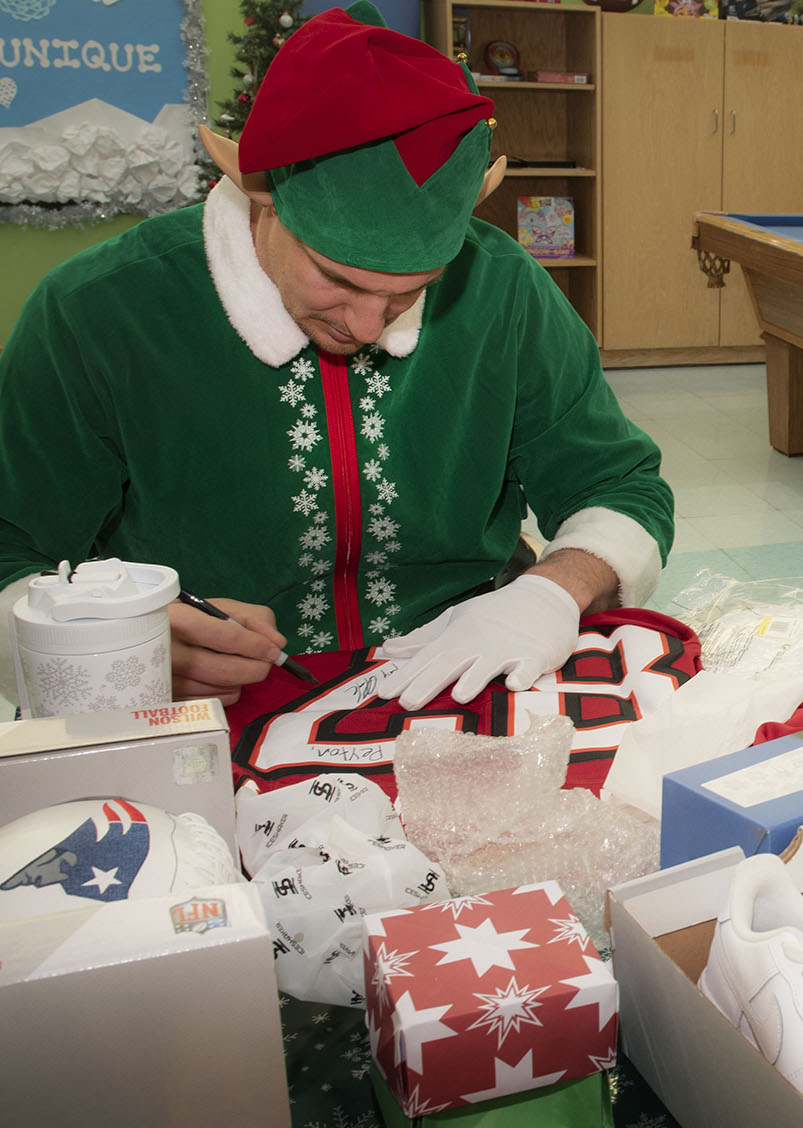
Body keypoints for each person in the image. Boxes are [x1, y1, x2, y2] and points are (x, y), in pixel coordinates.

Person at [0, 3, 673, 714]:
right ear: (260, 196)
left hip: (458, 674)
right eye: (340, 279)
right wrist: (111, 650)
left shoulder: (503, 288)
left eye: (410, 292)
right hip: (207, 707)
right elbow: (10, 549)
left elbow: (621, 485)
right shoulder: (100, 310)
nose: (365, 324)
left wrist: (549, 591)